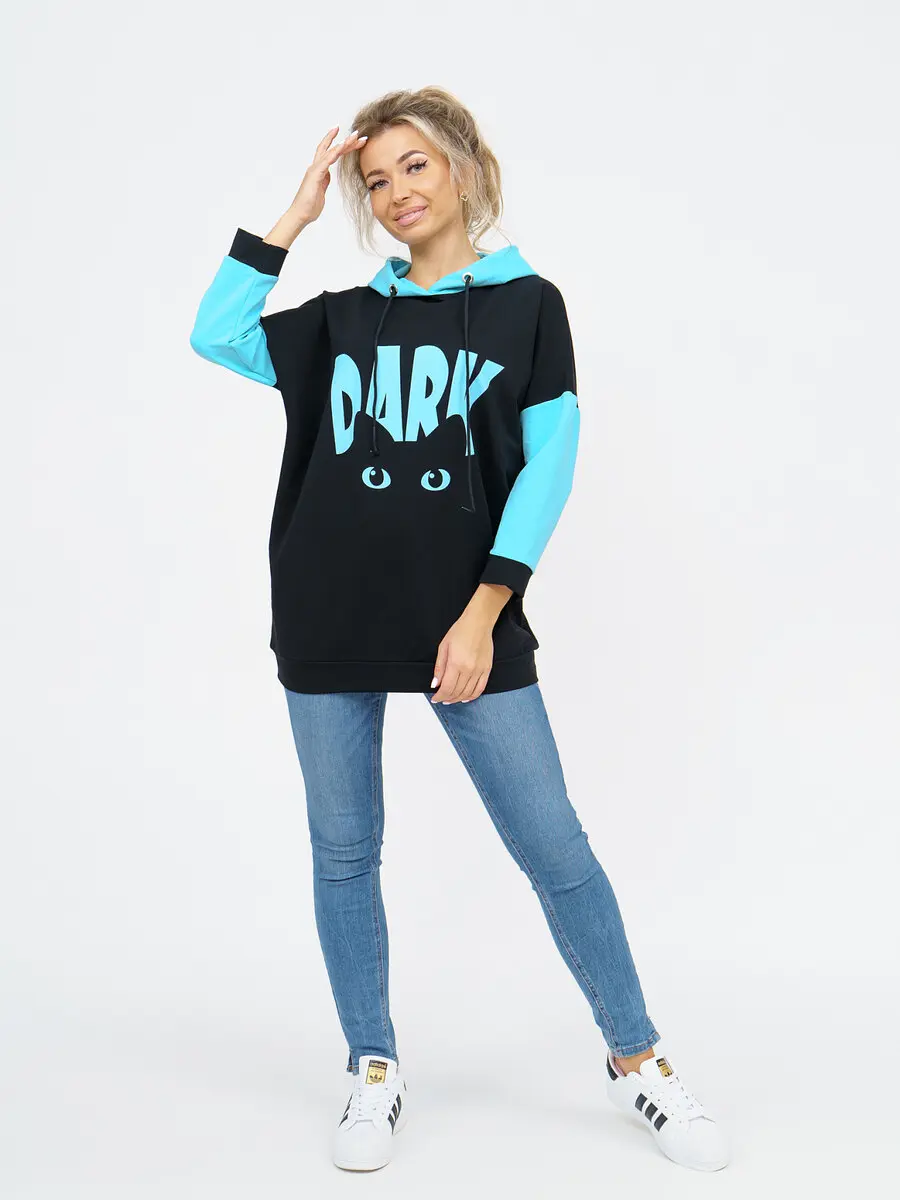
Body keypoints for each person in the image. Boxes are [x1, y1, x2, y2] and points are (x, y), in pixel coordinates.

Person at [190, 85, 728, 1175]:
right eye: (373, 179)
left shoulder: (529, 305)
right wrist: (294, 215)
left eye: (415, 166)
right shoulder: (341, 319)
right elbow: (218, 334)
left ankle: (637, 1058)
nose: (396, 192)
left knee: (553, 846)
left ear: (465, 170)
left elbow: (549, 468)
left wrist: (485, 610)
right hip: (330, 613)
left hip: (465, 625)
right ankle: (372, 1065)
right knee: (345, 851)